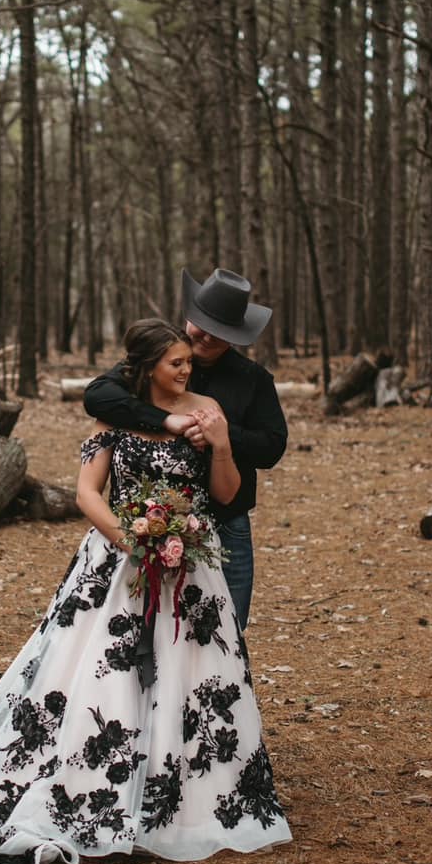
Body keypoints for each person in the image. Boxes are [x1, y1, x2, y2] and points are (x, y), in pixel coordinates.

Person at [0, 319, 290, 864]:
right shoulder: (114, 414)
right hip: (120, 562)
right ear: (149, 369)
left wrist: (218, 444)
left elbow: (228, 493)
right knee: (99, 673)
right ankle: (97, 783)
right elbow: (89, 493)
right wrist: (133, 542)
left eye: (190, 361)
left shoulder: (209, 408)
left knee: (195, 672)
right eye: (177, 363)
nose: (188, 370)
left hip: (192, 563)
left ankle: (188, 794)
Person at [84, 269, 287, 631]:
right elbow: (98, 396)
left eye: (217, 331)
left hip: (225, 521)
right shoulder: (156, 361)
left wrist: (220, 436)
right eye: (200, 324)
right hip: (147, 522)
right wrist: (165, 419)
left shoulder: (252, 379)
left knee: (224, 629)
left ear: (235, 336)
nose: (205, 336)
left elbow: (271, 447)